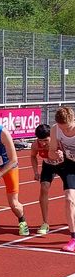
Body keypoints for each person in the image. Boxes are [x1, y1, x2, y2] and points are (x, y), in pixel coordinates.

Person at [49, 107, 75, 253]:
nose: (65, 129)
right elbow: (51, 153)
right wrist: (56, 153)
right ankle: (73, 238)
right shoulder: (55, 129)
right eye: (62, 127)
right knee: (69, 199)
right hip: (70, 166)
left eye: (68, 127)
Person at [30, 124, 64, 235]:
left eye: (46, 140)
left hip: (64, 165)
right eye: (41, 140)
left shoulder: (59, 142)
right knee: (44, 188)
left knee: (71, 192)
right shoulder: (36, 145)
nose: (43, 143)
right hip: (48, 166)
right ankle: (45, 223)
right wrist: (35, 171)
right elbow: (33, 156)